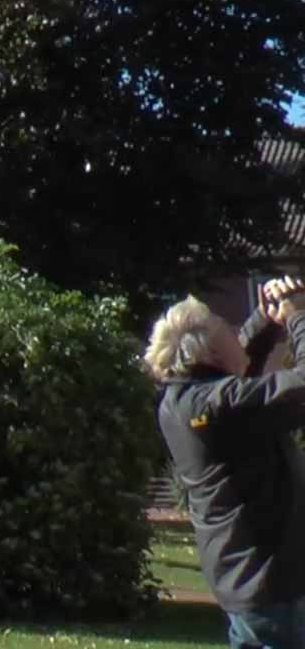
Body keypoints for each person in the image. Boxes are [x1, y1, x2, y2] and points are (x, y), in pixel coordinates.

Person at [151, 277, 305, 648]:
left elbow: (237, 372)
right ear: (211, 354)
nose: (238, 337)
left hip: (251, 580)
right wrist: (297, 318)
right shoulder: (214, 405)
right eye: (228, 333)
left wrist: (266, 321)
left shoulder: (183, 400)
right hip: (272, 585)